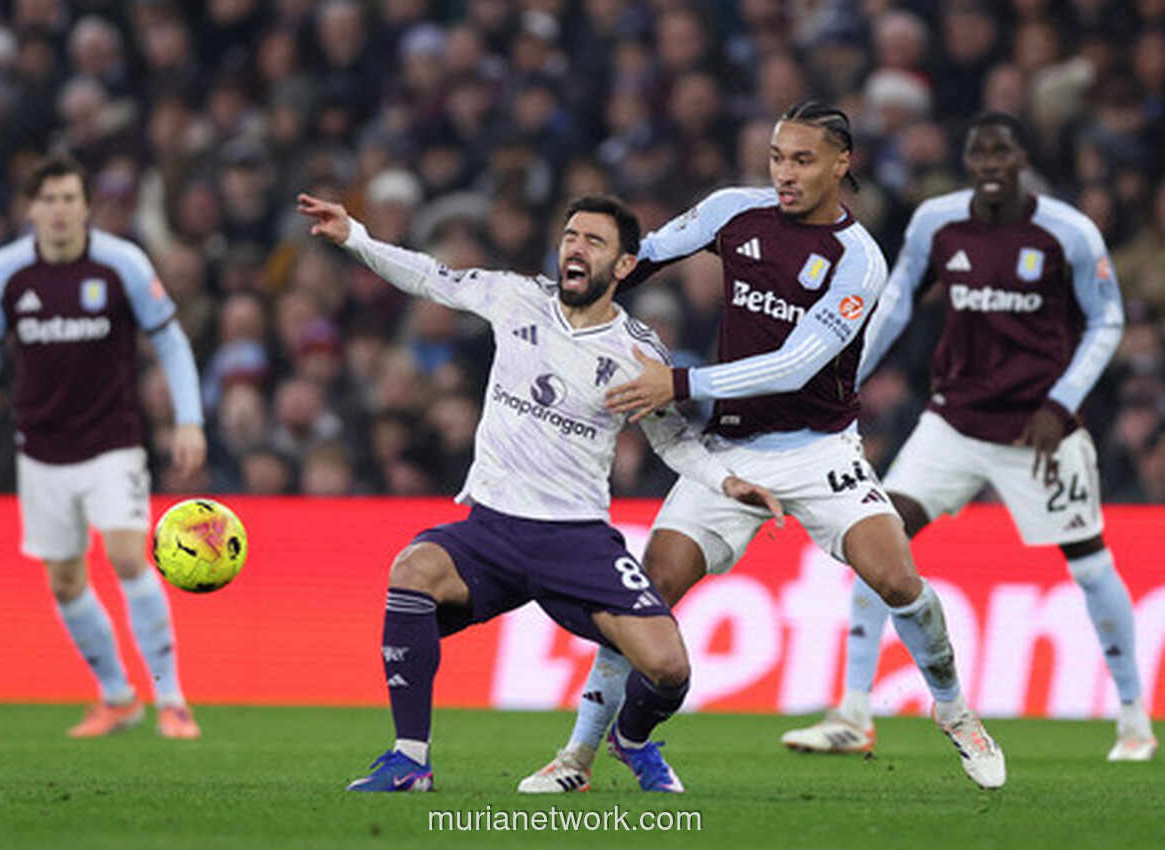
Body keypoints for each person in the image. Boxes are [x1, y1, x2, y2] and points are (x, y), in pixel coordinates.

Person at [519, 100, 1007, 793]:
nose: (784, 173)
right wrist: (568, 302)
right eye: (777, 157)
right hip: (728, 451)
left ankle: (955, 711)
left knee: (897, 578)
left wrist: (677, 382)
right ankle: (578, 758)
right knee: (642, 599)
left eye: (802, 160)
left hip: (820, 451)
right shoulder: (732, 212)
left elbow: (795, 366)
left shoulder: (858, 262)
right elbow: (643, 257)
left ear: (843, 164)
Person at [298, 191, 784, 793]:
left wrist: (725, 480)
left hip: (575, 540)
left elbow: (673, 442)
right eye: (571, 236)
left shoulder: (637, 353)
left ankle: (629, 739)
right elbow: (430, 277)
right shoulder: (515, 296)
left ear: (625, 266)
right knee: (412, 570)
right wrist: (357, 238)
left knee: (668, 668)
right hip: (491, 530)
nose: (576, 249)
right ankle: (409, 759)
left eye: (594, 241)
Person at [782, 112, 1156, 762]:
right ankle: (852, 713)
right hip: (953, 419)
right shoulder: (937, 221)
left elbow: (1107, 320)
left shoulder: (1067, 231)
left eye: (1001, 154)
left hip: (1037, 430)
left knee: (1091, 565)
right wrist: (845, 378)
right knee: (880, 543)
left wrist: (1063, 402)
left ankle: (1133, 718)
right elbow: (897, 302)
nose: (988, 165)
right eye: (977, 154)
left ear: (1022, 159)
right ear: (967, 160)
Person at [0, 154, 206, 738]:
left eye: (70, 198)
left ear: (86, 206)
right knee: (65, 581)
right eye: (48, 199)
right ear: (31, 208)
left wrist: (189, 419)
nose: (59, 210)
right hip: (41, 448)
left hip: (113, 441)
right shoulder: (6, 271)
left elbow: (170, 342)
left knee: (127, 555)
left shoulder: (121, 264)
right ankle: (118, 698)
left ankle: (172, 700)